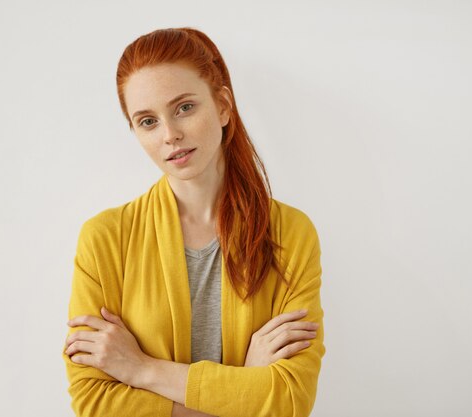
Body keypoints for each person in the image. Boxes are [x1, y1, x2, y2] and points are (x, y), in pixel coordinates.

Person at [62, 27, 325, 417]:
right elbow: (94, 402)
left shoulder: (290, 233)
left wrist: (142, 369)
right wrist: (244, 389)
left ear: (222, 106)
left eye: (184, 107)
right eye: (148, 121)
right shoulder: (105, 239)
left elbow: (289, 399)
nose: (170, 135)